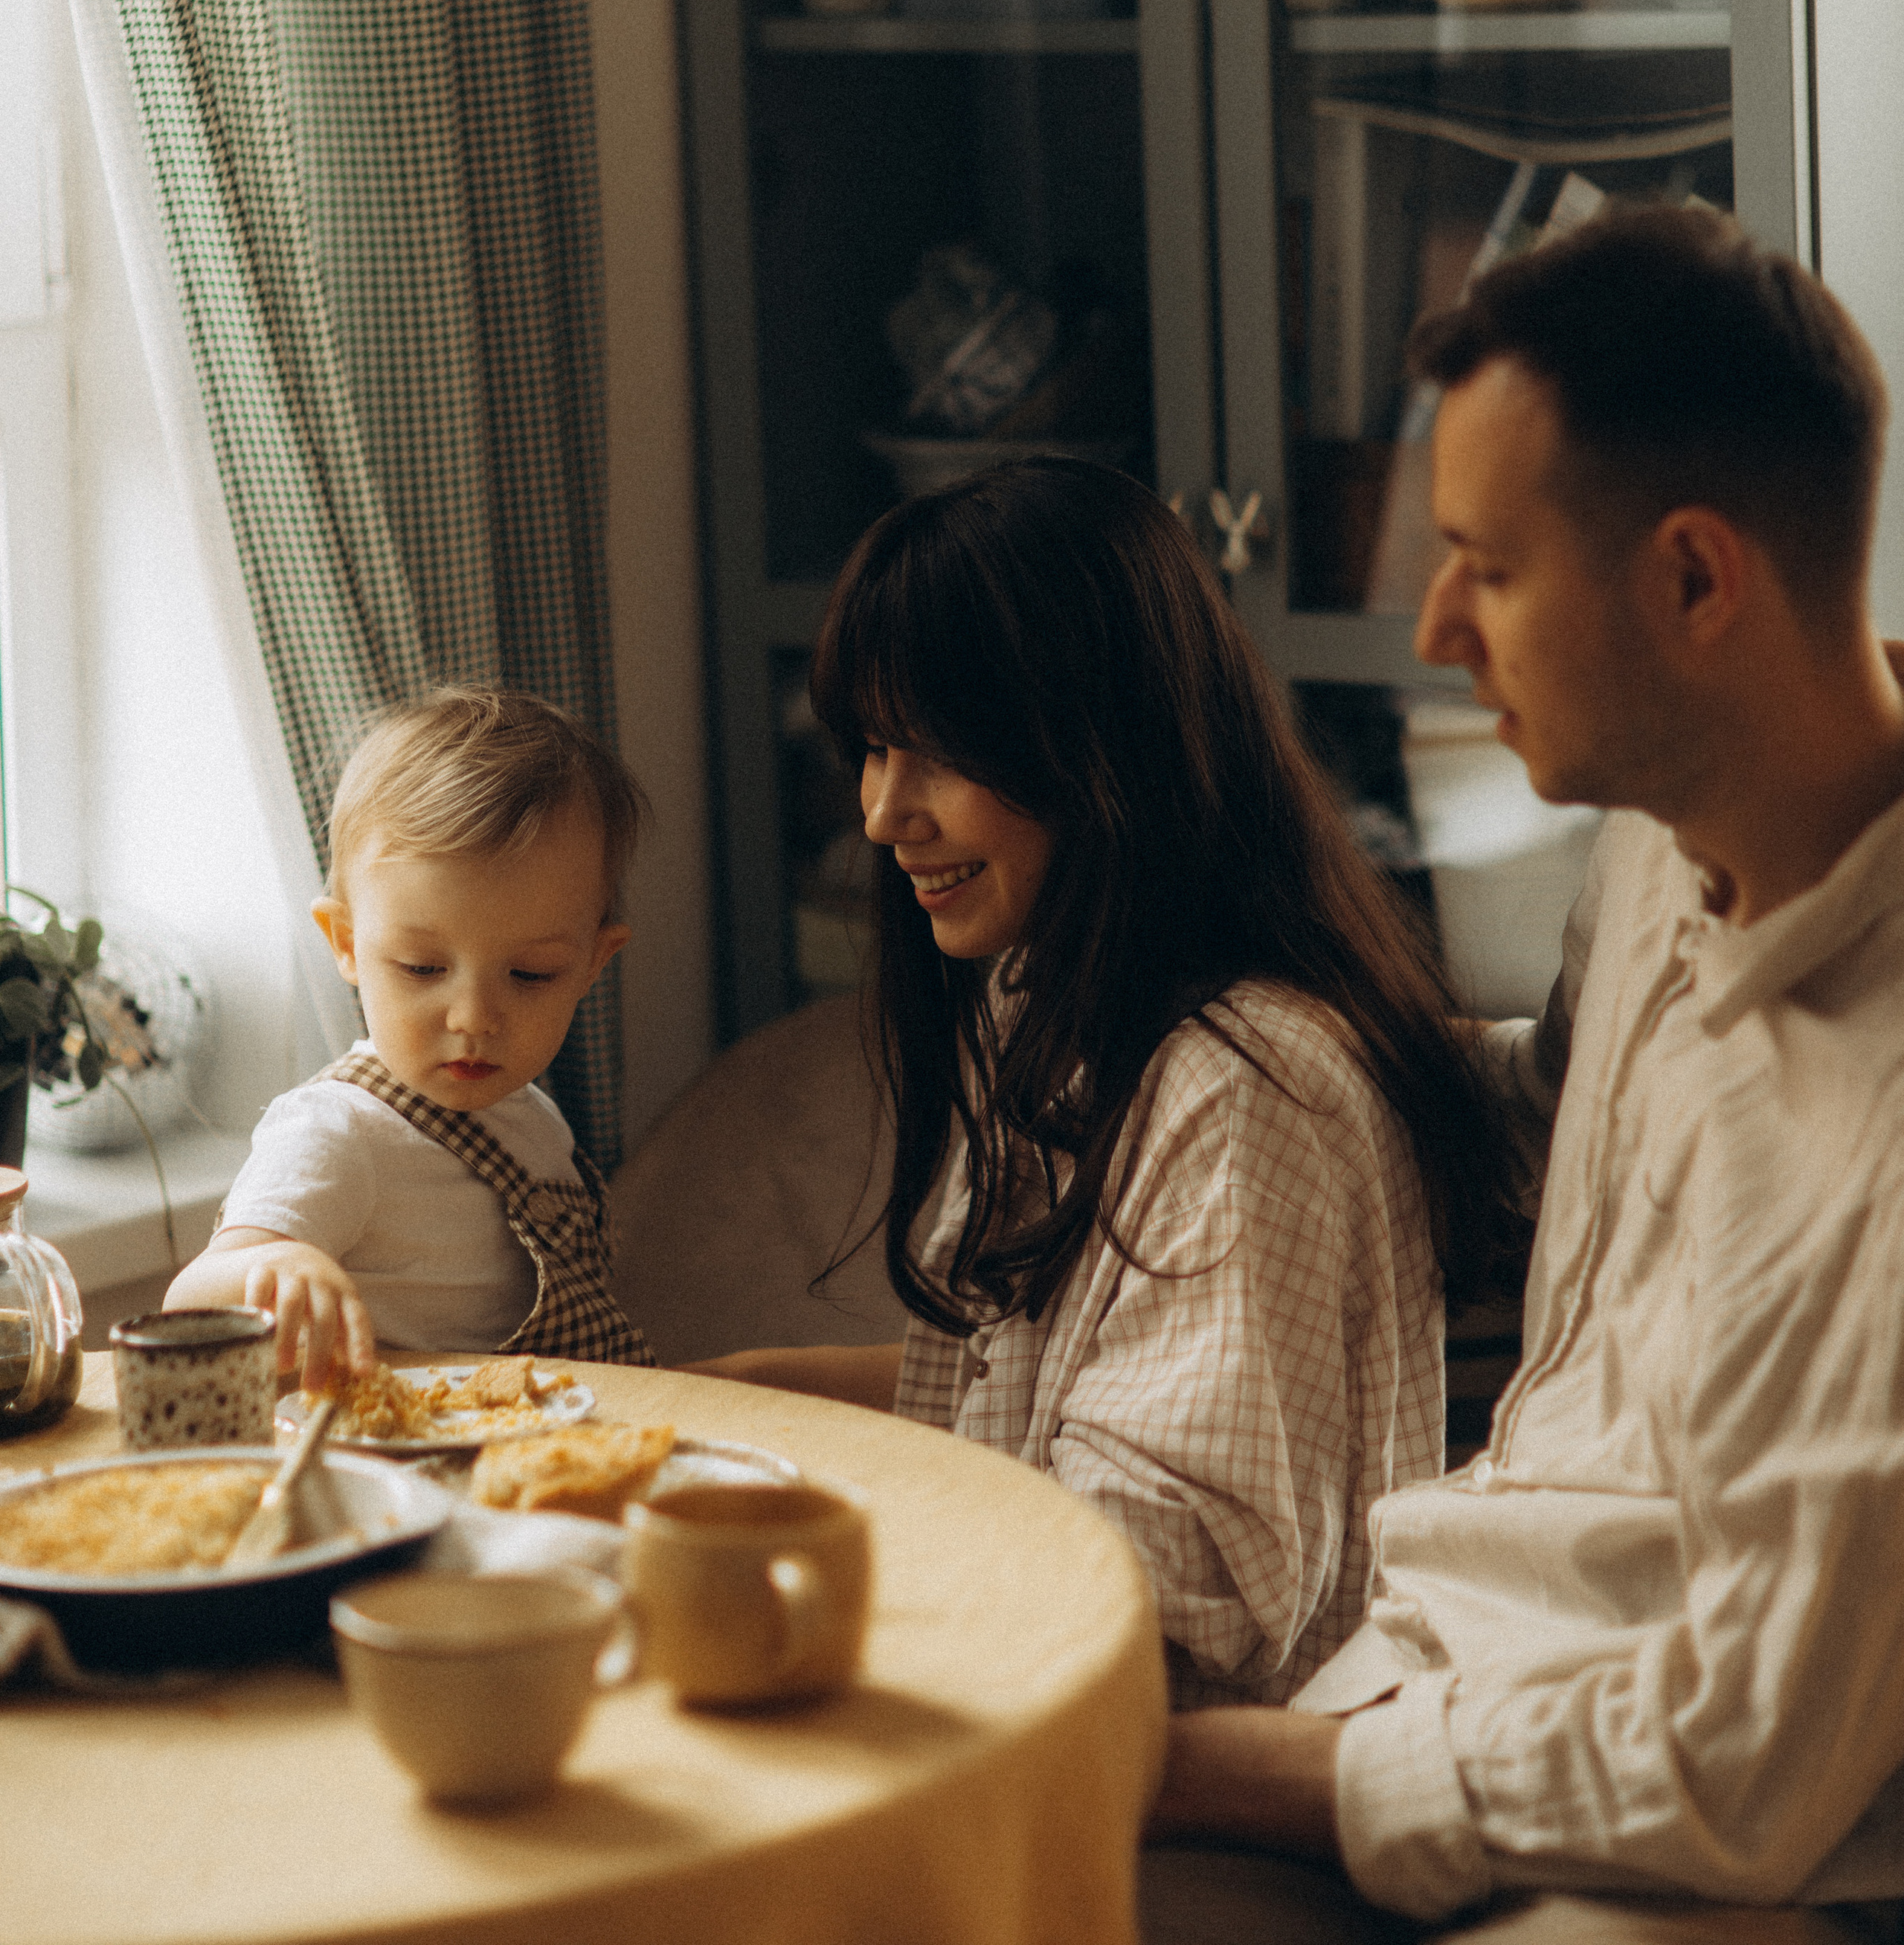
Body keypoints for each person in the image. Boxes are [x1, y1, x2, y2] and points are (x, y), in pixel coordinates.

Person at [1149, 204, 1904, 1945]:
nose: (1431, 628)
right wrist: (1255, 1058)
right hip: (1437, 1655)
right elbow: (1545, 1129)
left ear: (1692, 580)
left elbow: (1739, 1763)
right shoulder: (1658, 826)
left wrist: (1219, 1769)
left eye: (1485, 567)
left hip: (1714, 1848)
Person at [702, 457, 1517, 1707]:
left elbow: (1145, 1604)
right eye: (871, 748)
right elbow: (1010, 1395)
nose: (880, 814)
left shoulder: (1245, 1094)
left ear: (1099, 745)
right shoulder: (1049, 1003)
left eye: (935, 751)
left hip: (1163, 1763)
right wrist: (722, 1401)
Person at [166, 685, 654, 1386]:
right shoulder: (338, 1131)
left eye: (531, 974)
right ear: (346, 942)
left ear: (592, 964)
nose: (472, 1018)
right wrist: (272, 1263)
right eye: (423, 968)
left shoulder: (536, 1122)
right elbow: (187, 1304)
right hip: (391, 1440)